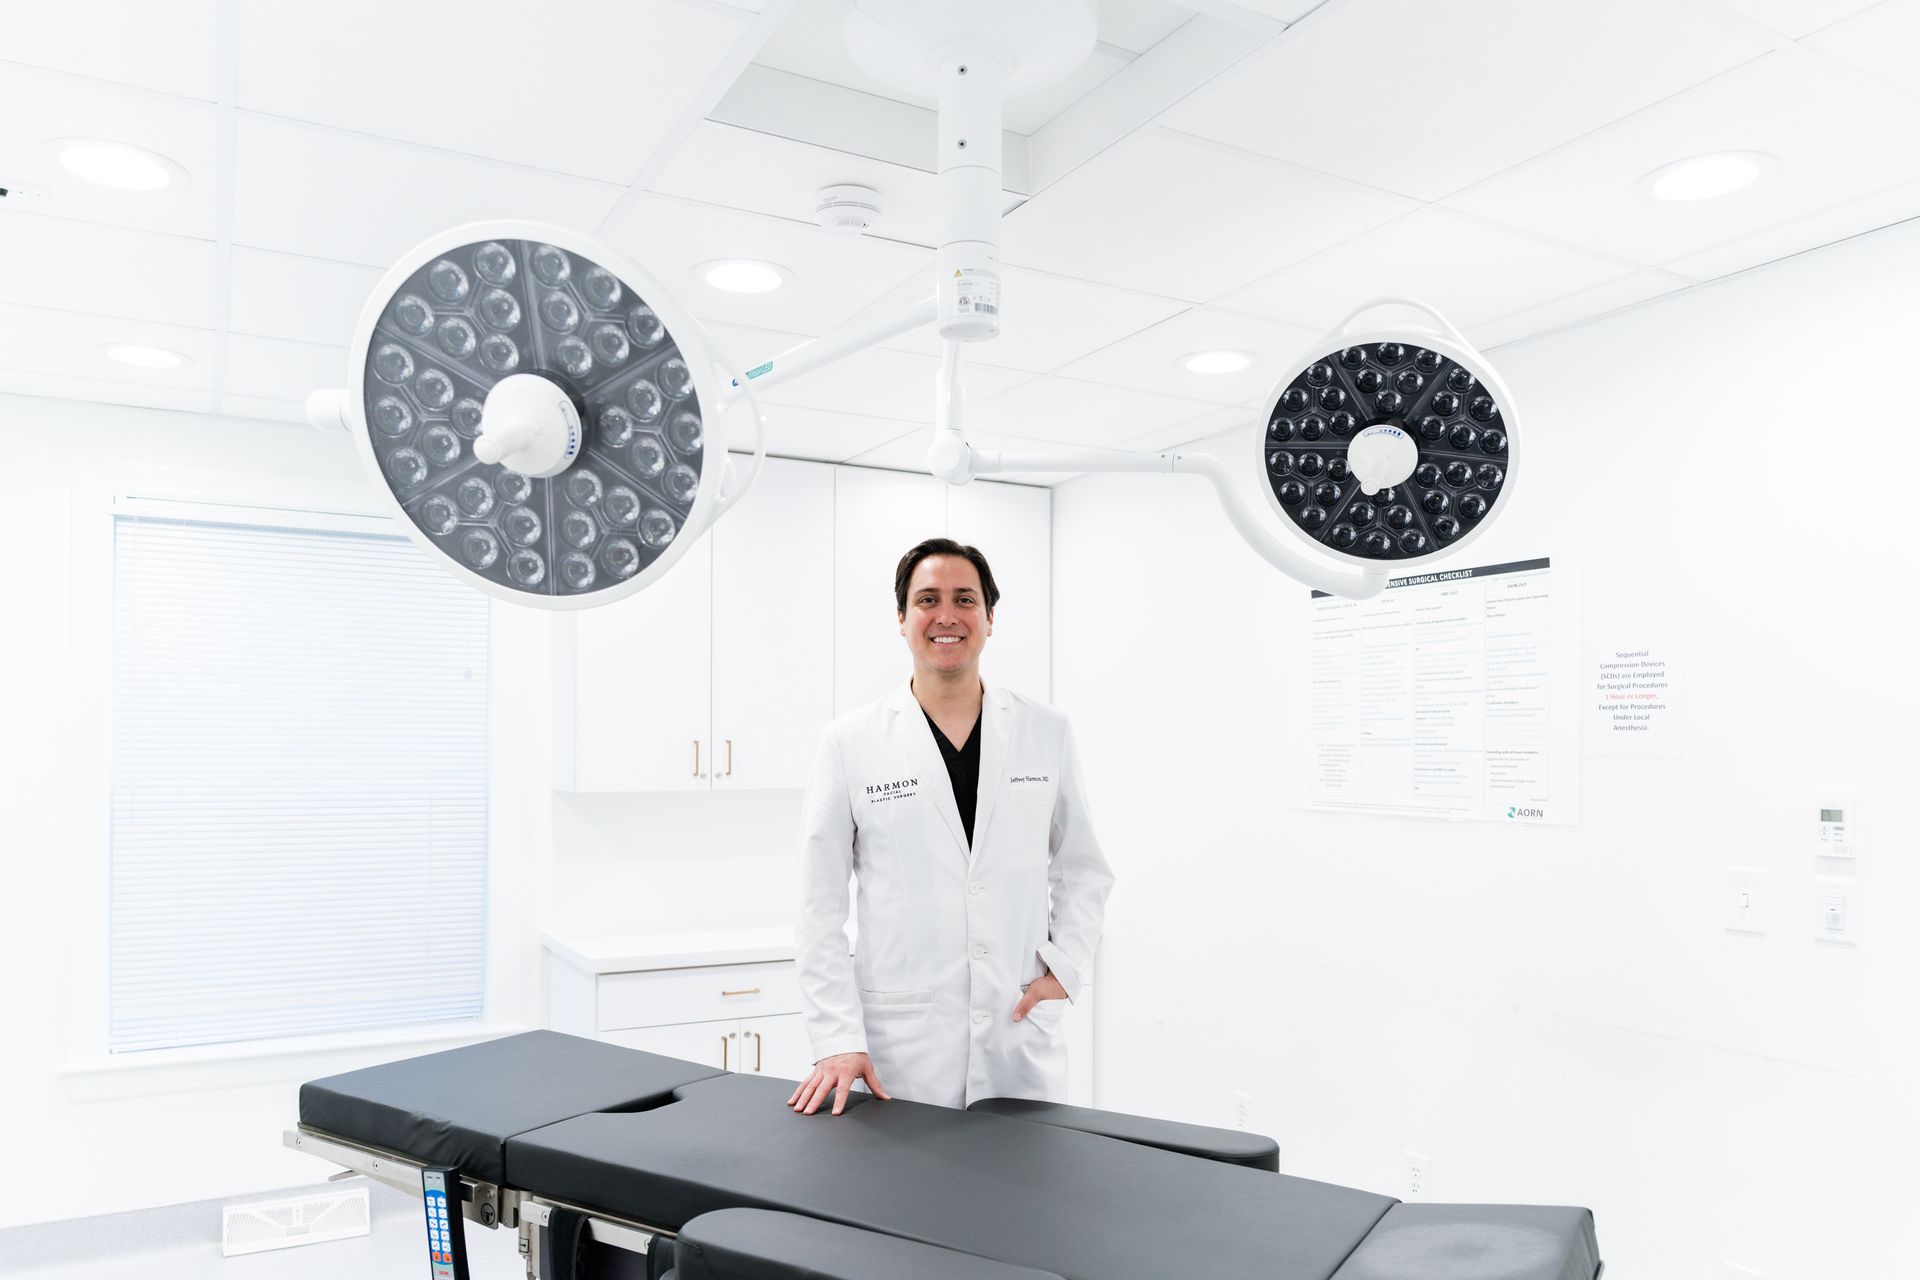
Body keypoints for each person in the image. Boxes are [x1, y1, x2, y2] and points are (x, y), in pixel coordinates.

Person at [788, 537, 1115, 1117]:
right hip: (902, 1048)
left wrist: (1064, 970)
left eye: (965, 599)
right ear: (902, 619)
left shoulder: (1046, 731)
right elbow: (819, 905)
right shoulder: (850, 742)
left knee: (1026, 1196)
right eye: (927, 600)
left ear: (990, 618)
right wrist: (836, 1037)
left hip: (1019, 1036)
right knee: (905, 1199)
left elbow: (1082, 868)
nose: (946, 616)